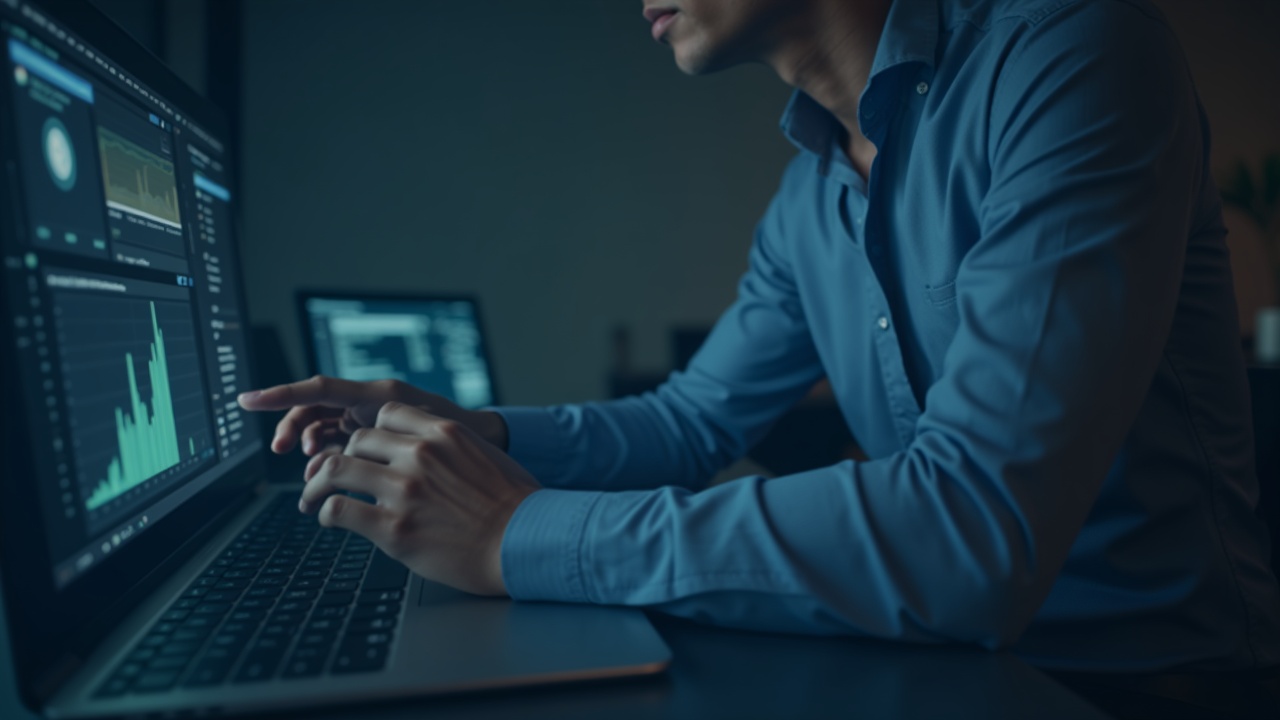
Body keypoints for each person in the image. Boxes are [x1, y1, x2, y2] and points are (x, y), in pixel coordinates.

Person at [239, 0, 1280, 681]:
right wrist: (475, 435)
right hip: (941, 668)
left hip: (1137, 686)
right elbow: (688, 422)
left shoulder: (1070, 56)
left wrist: (515, 533)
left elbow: (974, 532)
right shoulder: (807, 195)